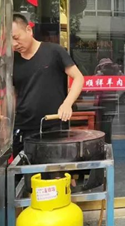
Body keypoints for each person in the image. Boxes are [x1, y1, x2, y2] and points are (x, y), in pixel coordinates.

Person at [11, 14, 84, 155]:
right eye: (9, 40)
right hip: (23, 127)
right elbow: (13, 92)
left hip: (53, 125)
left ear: (28, 30)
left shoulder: (54, 51)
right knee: (23, 166)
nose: (14, 44)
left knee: (54, 166)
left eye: (16, 37)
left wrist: (67, 104)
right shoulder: (12, 60)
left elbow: (78, 78)